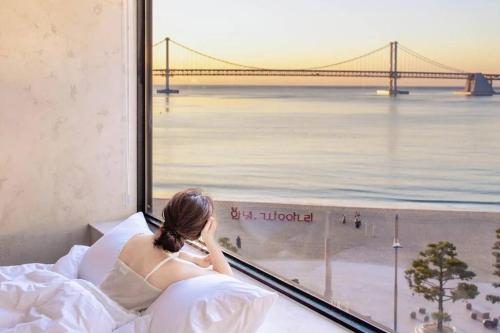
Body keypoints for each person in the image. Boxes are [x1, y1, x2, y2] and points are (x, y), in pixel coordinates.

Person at [99, 188, 232, 312]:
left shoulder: (138, 238)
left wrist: (195, 259)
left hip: (93, 300)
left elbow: (161, 253)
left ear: (168, 210)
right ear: (196, 232)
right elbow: (227, 278)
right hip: (106, 320)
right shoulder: (176, 269)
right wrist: (209, 239)